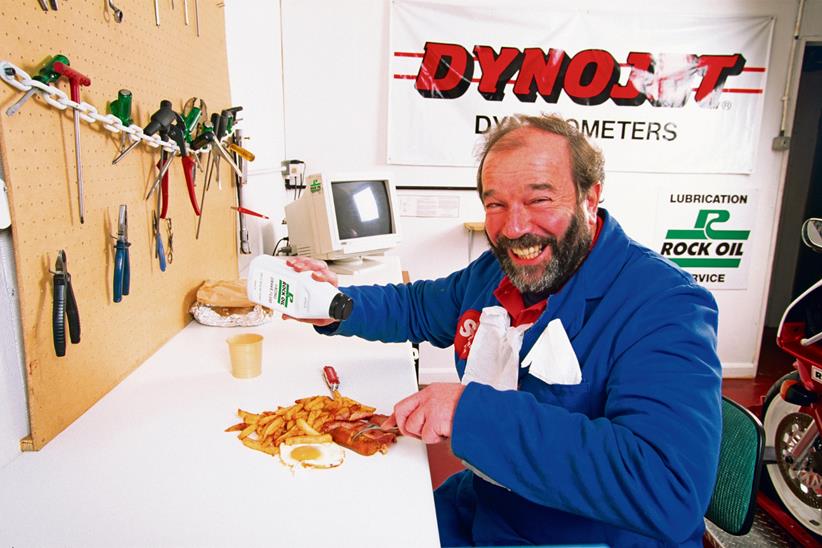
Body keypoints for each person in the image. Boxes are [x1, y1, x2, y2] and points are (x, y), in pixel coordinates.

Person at [286, 113, 722, 547]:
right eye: (496, 204)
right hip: (489, 504)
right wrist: (334, 305)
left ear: (591, 198)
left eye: (539, 201)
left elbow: (668, 488)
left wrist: (469, 414)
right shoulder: (498, 272)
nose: (514, 229)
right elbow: (418, 306)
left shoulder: (666, 304)